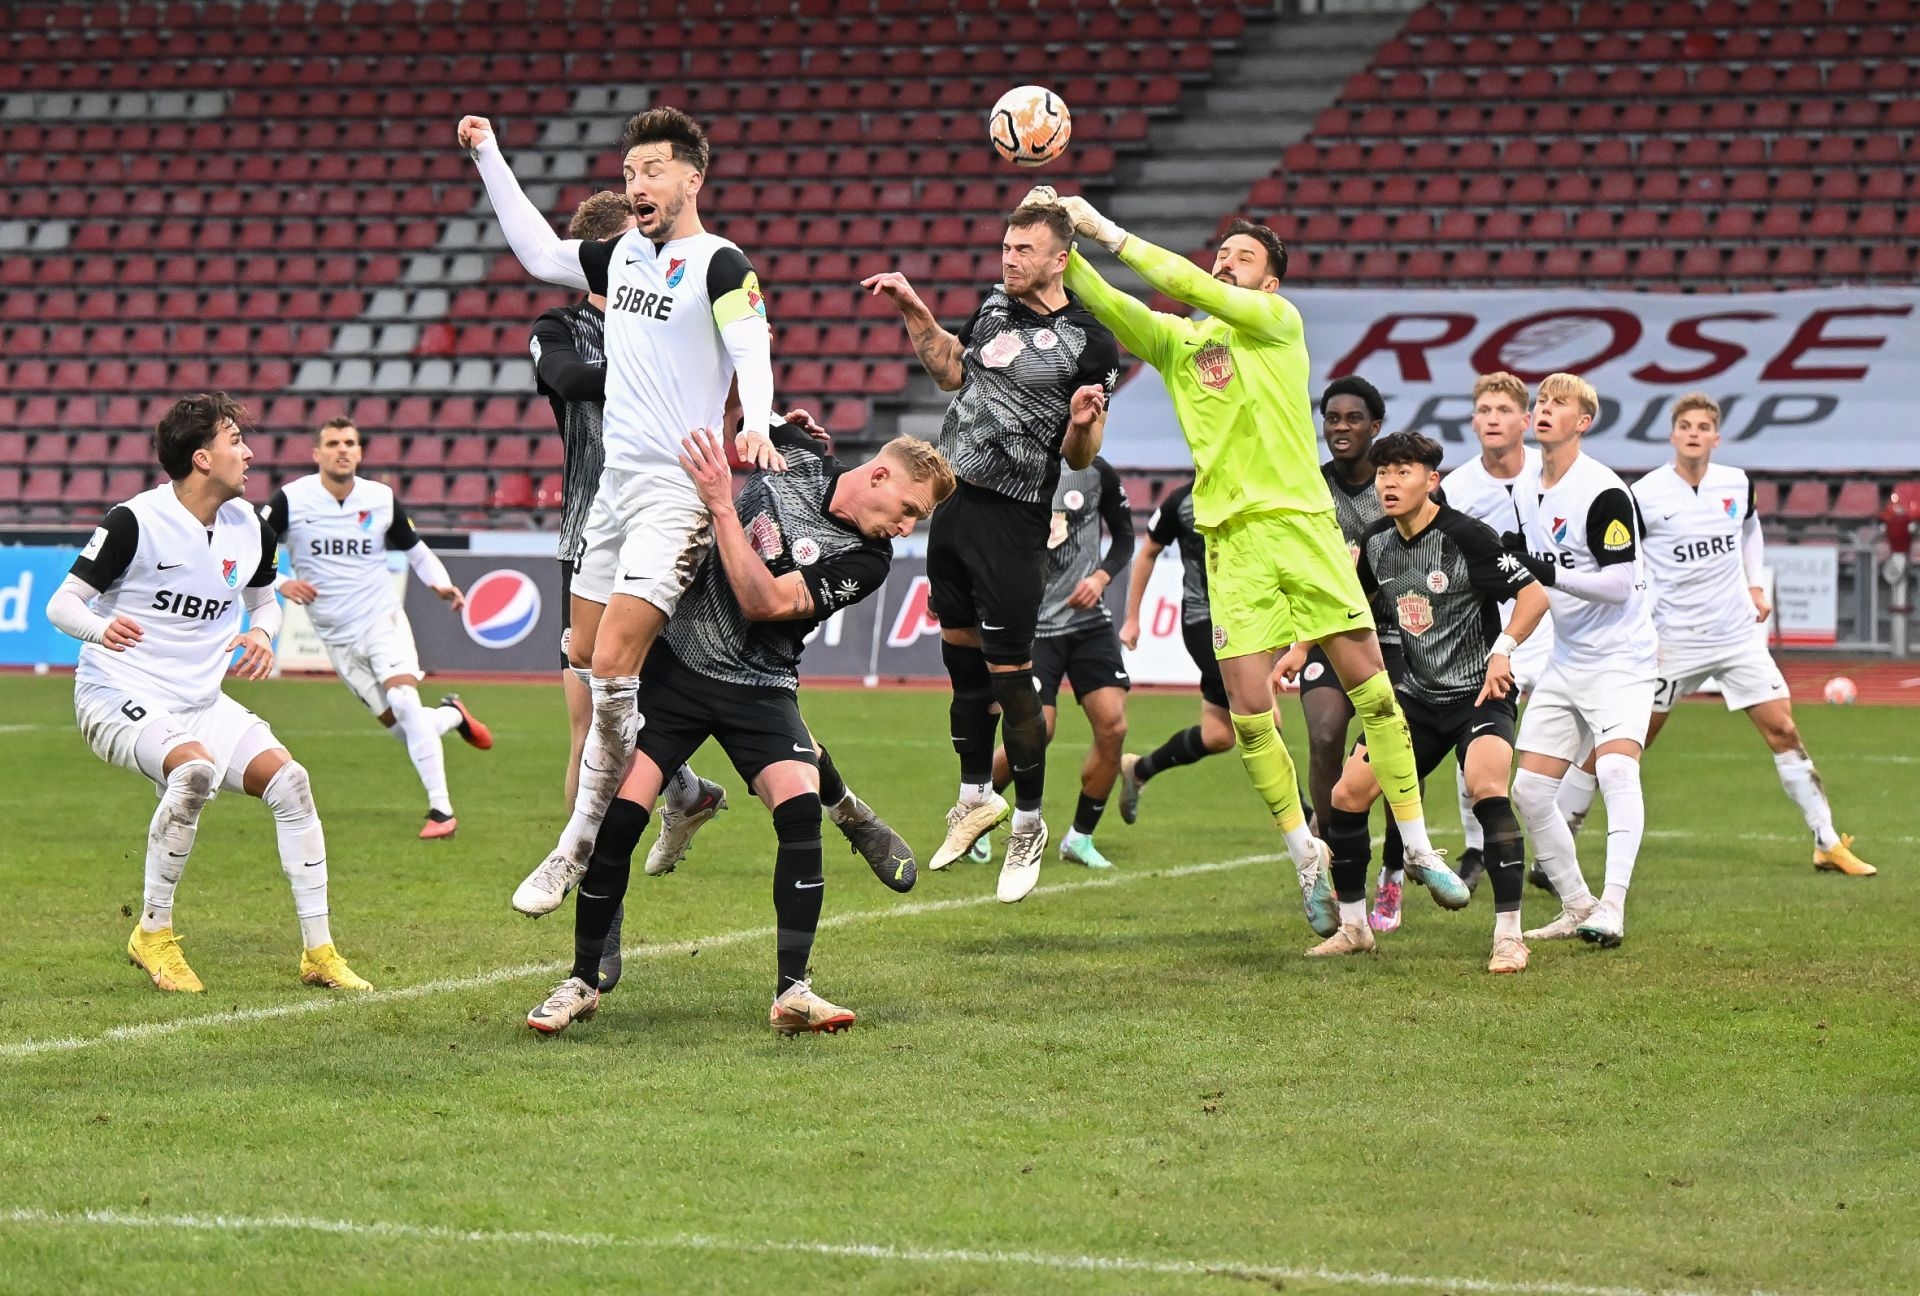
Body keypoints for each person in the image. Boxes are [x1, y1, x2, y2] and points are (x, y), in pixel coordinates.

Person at [1033, 188, 1471, 936]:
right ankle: (1305, 856)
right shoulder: (1180, 345)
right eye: (1222, 254)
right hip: (1230, 542)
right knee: (1247, 714)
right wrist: (1056, 244)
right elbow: (1110, 303)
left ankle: (1420, 846)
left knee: (1373, 691)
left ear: (1269, 282)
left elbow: (1185, 283)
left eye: (1243, 258)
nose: (1225, 265)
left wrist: (1105, 228)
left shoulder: (1276, 323)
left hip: (1301, 525)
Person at [524, 427, 954, 1036]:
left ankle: (793, 992)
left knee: (799, 809)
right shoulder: (796, 455)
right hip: (676, 670)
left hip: (760, 686)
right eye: (909, 510)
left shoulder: (868, 561)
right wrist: (760, 416)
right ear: (880, 476)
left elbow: (765, 603)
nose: (907, 528)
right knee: (618, 820)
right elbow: (726, 413)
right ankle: (580, 983)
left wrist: (723, 507)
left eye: (917, 519)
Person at [461, 106, 785, 915]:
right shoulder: (620, 256)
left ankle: (577, 845)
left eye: (653, 170)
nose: (637, 184)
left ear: (692, 179)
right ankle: (685, 791)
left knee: (612, 668)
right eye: (630, 172)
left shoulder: (719, 262)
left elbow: (750, 345)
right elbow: (539, 253)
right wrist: (489, 153)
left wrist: (759, 420)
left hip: (677, 491)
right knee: (582, 653)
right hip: (612, 490)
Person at [44, 393, 371, 994]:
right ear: (201, 458)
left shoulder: (251, 527)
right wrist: (100, 628)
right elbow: (62, 604)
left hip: (200, 700)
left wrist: (262, 634)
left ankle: (320, 953)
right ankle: (152, 935)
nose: (249, 454)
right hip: (116, 690)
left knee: (291, 783)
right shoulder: (134, 521)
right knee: (193, 772)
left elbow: (264, 603)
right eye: (235, 441)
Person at [863, 203, 1118, 903]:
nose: (1008, 258)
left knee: (1011, 679)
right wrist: (913, 308)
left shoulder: (1090, 342)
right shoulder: (994, 308)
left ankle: (1028, 822)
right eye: (1005, 246)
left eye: (1023, 249)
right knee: (961, 666)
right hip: (953, 504)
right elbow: (952, 371)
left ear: (1060, 259)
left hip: (1014, 517)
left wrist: (1082, 424)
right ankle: (975, 797)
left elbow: (1080, 454)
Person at [1310, 433, 1550, 972]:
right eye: (1383, 474)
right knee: (1347, 794)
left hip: (1478, 695)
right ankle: (1354, 928)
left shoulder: (1466, 536)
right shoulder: (1376, 541)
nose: (1390, 483)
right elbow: (1346, 603)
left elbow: (1534, 595)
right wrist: (1299, 650)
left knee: (1487, 787)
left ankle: (1509, 936)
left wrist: (1503, 650)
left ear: (1431, 480)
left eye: (1403, 472)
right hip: (1416, 700)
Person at [1633, 392, 1873, 876]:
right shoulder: (1644, 494)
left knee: (1783, 729)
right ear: (1673, 435)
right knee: (1631, 742)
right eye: (1686, 426)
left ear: (1716, 437)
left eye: (1703, 427)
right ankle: (1564, 830)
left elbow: (1749, 531)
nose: (1694, 433)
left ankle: (1826, 841)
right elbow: (1630, 560)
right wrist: (1640, 622)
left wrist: (1756, 585)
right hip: (1674, 639)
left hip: (1736, 636)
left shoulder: (1737, 484)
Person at [263, 417, 490, 839]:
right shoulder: (291, 500)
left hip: (381, 619)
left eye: (349, 442)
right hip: (336, 636)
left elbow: (416, 551)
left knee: (405, 700)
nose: (342, 450)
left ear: (360, 452)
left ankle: (442, 812)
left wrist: (440, 585)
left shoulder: (380, 498)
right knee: (404, 727)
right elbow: (252, 549)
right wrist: (281, 582)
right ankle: (450, 715)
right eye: (333, 443)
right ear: (316, 453)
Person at [1501, 373, 1657, 948]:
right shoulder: (1524, 488)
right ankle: (1577, 904)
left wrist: (1548, 571)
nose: (1544, 409)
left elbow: (1618, 585)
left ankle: (1612, 906)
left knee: (1616, 771)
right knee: (1529, 791)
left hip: (1621, 658)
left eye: (1559, 403)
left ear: (1583, 422)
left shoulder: (1605, 491)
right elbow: (1535, 575)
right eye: (1540, 401)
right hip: (1567, 655)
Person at [1271, 376, 1409, 930]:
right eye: (1332, 418)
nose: (1340, 428)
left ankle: (1394, 870)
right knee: (1326, 735)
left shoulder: (1395, 484)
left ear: (1375, 426)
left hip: (1394, 638)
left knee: (1397, 749)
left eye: (1353, 418)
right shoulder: (1310, 486)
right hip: (1326, 635)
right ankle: (1332, 858)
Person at [527, 189, 637, 810]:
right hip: (589, 539)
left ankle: (684, 792)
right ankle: (582, 856)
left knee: (689, 707)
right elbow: (569, 380)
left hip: (667, 532)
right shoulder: (560, 327)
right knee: (590, 728)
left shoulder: (668, 324)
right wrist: (652, 370)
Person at [1438, 372, 1559, 893]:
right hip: (1489, 632)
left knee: (1565, 744)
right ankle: (1475, 848)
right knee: (1478, 739)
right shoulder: (1456, 489)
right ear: (1473, 421)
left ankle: (1554, 849)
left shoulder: (1553, 474)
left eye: (1504, 410)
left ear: (1525, 421)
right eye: (1484, 410)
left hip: (1557, 627)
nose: (1493, 419)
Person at [983, 454, 1135, 870]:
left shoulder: (1098, 473)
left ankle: (1079, 838)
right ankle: (975, 810)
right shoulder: (1014, 469)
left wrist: (1101, 577)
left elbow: (1124, 537)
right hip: (1033, 627)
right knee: (1039, 728)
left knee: (1113, 727)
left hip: (1089, 624)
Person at [1115, 478, 1235, 817]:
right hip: (1202, 621)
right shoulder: (1181, 502)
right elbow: (1148, 552)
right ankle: (1307, 820)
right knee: (1263, 710)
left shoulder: (1249, 492)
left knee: (1218, 735)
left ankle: (1140, 770)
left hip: (1245, 622)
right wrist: (1132, 618)